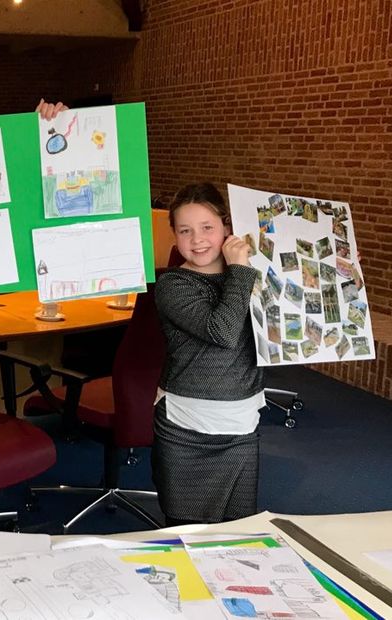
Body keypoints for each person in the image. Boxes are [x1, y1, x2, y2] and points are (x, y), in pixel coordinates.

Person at [151, 182, 263, 525]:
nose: (197, 239)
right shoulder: (174, 285)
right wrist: (241, 270)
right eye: (185, 230)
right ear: (173, 235)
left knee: (236, 535)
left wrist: (332, 269)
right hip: (187, 427)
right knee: (188, 535)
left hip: (241, 422)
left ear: (226, 229)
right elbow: (222, 331)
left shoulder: (247, 276)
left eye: (207, 228)